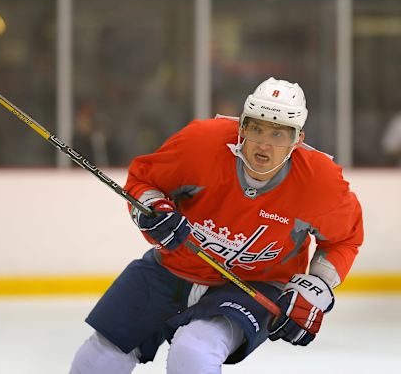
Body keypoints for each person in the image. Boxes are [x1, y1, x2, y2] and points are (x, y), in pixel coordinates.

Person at [69, 77, 363, 373]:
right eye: (256, 128)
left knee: (194, 351)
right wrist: (153, 209)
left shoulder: (318, 181)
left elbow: (343, 240)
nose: (263, 143)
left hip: (254, 286)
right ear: (242, 126)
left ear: (297, 139)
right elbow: (143, 181)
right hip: (172, 269)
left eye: (278, 134)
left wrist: (314, 287)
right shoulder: (201, 143)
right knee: (102, 356)